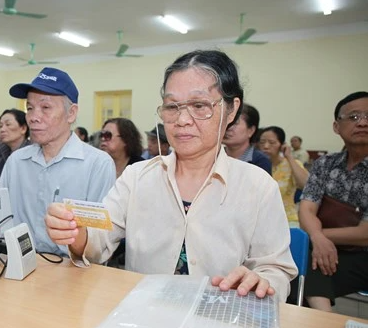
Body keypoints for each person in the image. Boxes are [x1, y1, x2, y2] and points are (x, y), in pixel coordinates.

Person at [45, 50, 297, 302]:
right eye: (172, 106)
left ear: (231, 110)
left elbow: (276, 269)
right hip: (143, 314)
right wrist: (77, 234)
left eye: (199, 106)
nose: (182, 120)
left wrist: (262, 282)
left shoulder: (257, 186)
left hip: (219, 321)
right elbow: (98, 240)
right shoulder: (137, 177)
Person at [0, 67, 115, 256]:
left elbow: (99, 242)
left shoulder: (97, 165)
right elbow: (0, 222)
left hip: (75, 271)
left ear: (71, 113)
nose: (33, 117)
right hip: (20, 265)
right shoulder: (16, 162)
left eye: (45, 107)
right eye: (29, 108)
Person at [299, 91, 367, 312]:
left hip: (362, 256)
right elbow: (307, 209)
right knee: (296, 267)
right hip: (325, 251)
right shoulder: (325, 164)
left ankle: (323, 321)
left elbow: (365, 234)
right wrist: (317, 238)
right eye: (354, 117)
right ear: (337, 127)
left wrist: (319, 237)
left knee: (305, 268)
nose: (363, 123)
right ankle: (324, 321)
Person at [258, 126, 308, 226]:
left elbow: (306, 185)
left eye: (272, 142)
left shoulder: (292, 164)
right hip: (260, 220)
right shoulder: (257, 165)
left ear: (282, 145)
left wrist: (289, 157)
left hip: (287, 219)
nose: (266, 146)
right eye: (262, 142)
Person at [0, 109, 31, 185]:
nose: (2, 129)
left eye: (8, 124)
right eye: (0, 126)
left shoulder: (32, 151)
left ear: (23, 129)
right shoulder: (0, 148)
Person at [222, 103, 272, 174]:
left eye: (235, 123)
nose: (228, 127)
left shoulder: (260, 161)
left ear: (251, 131)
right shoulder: (214, 157)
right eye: (226, 121)